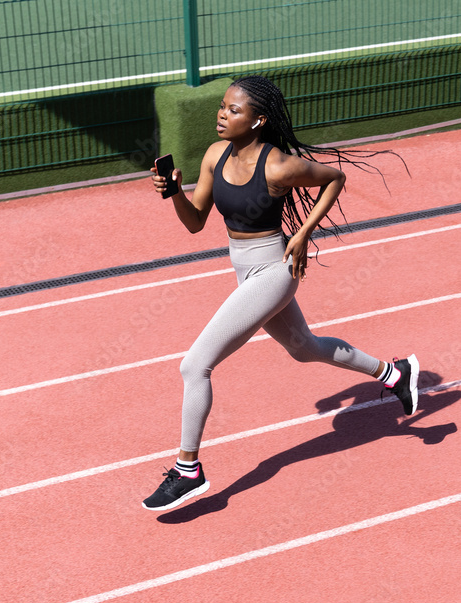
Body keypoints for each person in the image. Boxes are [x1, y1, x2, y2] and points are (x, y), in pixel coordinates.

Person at [142, 75, 418, 511]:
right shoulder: (215, 156)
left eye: (234, 110)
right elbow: (196, 221)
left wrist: (305, 233)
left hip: (275, 270)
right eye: (222, 106)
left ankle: (187, 470)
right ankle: (394, 373)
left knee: (195, 365)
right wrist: (175, 192)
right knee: (304, 348)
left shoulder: (279, 166)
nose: (222, 114)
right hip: (244, 267)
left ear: (258, 121)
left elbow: (335, 178)